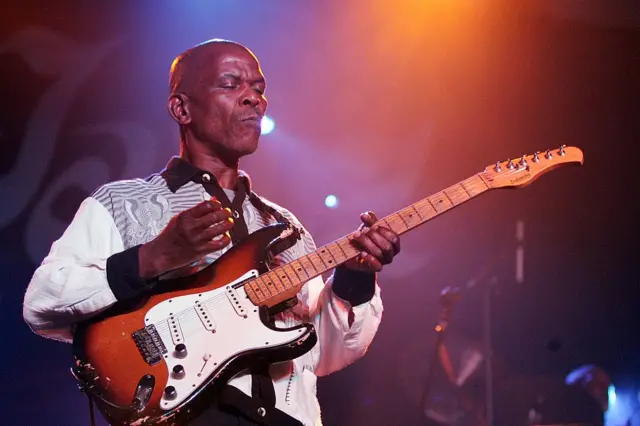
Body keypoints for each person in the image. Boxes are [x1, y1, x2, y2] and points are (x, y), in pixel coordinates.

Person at [22, 39, 401, 426]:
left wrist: (356, 278)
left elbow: (327, 354)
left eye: (258, 88)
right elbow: (42, 301)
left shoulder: (284, 227)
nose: (254, 99)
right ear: (181, 108)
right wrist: (153, 258)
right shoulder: (122, 203)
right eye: (231, 84)